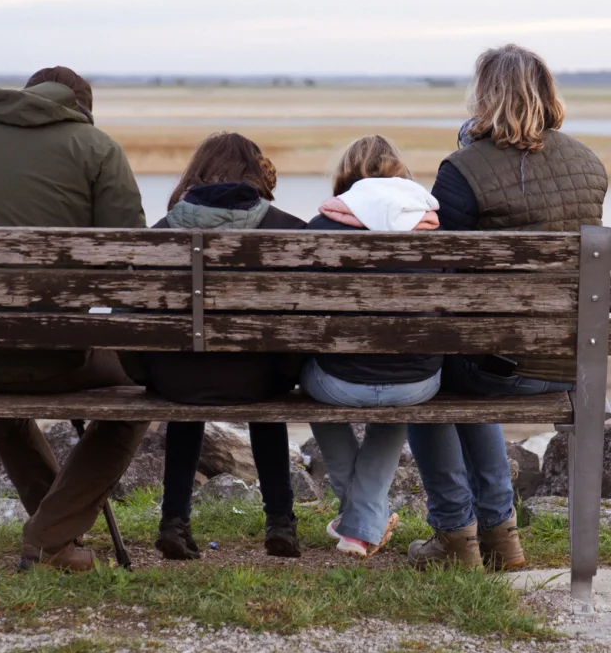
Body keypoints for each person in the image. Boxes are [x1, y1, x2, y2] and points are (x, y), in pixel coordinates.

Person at [407, 44, 608, 571]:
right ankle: (502, 540)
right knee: (475, 362)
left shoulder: (463, 170)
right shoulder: (589, 163)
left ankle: (456, 536)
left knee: (423, 376)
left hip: (497, 368)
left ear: (485, 96)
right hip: (570, 367)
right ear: (547, 92)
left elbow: (436, 272)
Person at [0, 66, 149, 572]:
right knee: (142, 396)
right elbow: (130, 256)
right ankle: (52, 532)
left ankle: (55, 532)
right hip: (57, 356)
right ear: (80, 108)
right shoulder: (95, 148)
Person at [145, 132, 306, 560]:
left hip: (176, 378)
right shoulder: (290, 229)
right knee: (264, 380)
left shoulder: (161, 232)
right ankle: (280, 521)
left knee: (190, 379)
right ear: (256, 173)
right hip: (260, 379)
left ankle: (174, 520)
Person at [300, 135, 443, 557]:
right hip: (418, 383)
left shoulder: (322, 227)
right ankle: (362, 526)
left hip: (337, 382)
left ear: (346, 177)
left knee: (306, 384)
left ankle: (361, 522)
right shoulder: (436, 226)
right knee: (399, 383)